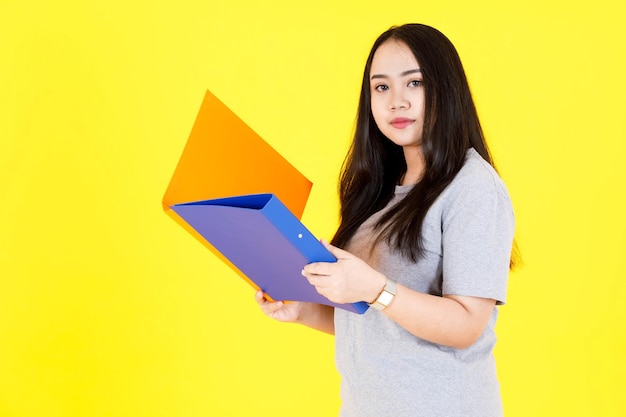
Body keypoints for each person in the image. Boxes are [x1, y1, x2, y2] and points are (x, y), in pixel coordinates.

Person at [255, 23, 516, 417]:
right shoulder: (374, 190)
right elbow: (377, 321)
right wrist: (304, 311)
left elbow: (465, 326)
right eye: (381, 87)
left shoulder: (474, 187)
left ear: (446, 89)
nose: (396, 101)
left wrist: (375, 287)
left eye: (414, 83)